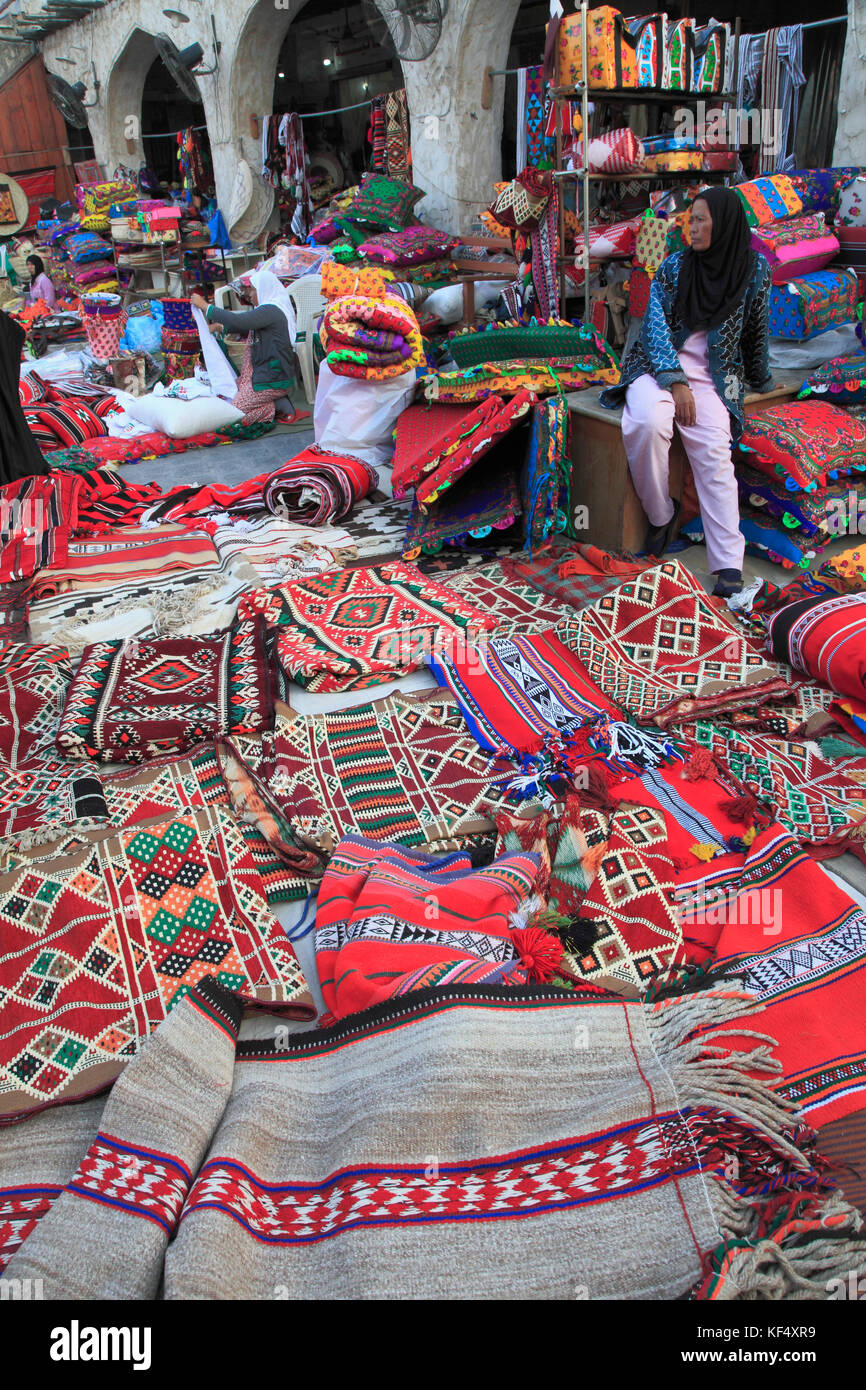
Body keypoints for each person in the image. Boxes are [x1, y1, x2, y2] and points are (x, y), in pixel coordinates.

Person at [602, 185, 775, 598]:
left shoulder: (755, 270)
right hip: (656, 367)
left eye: (700, 220)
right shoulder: (675, 267)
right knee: (647, 421)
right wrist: (674, 380)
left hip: (715, 378)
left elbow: (756, 331)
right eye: (690, 219)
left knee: (715, 453)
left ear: (725, 223)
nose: (691, 228)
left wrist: (763, 378)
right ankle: (662, 515)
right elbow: (654, 329)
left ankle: (729, 564)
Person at [190, 269, 297, 426]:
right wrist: (220, 327)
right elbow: (247, 326)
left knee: (233, 416)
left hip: (271, 378)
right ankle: (274, 401)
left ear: (263, 289)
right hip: (260, 374)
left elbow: (239, 321)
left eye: (253, 290)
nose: (250, 295)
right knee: (231, 394)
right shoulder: (268, 310)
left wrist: (206, 307)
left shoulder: (271, 310)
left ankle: (273, 407)